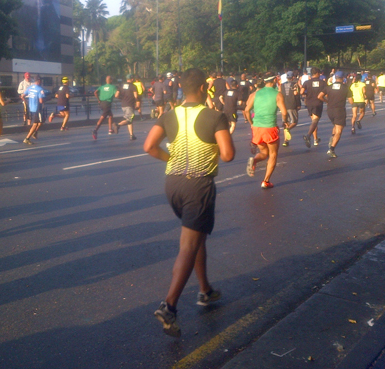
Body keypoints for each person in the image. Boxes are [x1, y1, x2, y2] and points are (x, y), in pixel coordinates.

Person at [143, 68, 234, 338]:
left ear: (182, 88)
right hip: (198, 185)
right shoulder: (214, 116)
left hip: (173, 185)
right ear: (205, 89)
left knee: (197, 238)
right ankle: (169, 305)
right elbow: (228, 154)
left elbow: (149, 146)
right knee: (188, 245)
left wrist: (169, 159)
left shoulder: (168, 115)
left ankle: (205, 290)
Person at [244, 72, 288, 188]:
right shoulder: (277, 94)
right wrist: (285, 121)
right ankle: (266, 181)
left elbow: (247, 110)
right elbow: (284, 112)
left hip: (257, 128)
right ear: (274, 81)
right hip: (269, 127)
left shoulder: (255, 94)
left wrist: (251, 123)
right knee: (273, 154)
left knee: (264, 153)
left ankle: (254, 161)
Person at [318, 71, 352, 158]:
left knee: (335, 125)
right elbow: (351, 101)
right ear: (343, 78)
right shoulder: (346, 88)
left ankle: (332, 138)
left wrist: (327, 101)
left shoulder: (328, 87)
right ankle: (332, 149)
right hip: (339, 110)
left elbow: (319, 96)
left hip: (330, 110)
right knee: (339, 131)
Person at [300, 67, 326, 148]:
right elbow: (327, 93)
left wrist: (306, 93)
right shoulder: (322, 83)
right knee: (315, 121)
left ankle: (315, 139)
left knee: (314, 122)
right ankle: (308, 136)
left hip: (309, 103)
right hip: (318, 103)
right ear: (318, 73)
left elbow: (301, 92)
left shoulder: (307, 82)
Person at [92, 75, 119, 139]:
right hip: (107, 103)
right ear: (111, 80)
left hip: (102, 103)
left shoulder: (102, 87)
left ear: (106, 81)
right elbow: (116, 95)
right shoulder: (113, 87)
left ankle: (110, 129)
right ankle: (95, 130)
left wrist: (98, 99)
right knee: (103, 117)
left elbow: (95, 92)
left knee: (110, 115)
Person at [113, 74, 139, 140]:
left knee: (129, 119)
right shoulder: (133, 86)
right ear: (132, 79)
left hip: (123, 105)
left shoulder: (121, 86)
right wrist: (137, 103)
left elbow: (116, 95)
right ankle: (117, 125)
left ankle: (131, 135)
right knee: (129, 119)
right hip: (130, 104)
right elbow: (136, 96)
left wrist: (121, 98)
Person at [280, 72, 300, 147]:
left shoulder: (282, 85)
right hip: (292, 104)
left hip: (284, 105)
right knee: (294, 121)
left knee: (286, 122)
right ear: (293, 77)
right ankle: (288, 129)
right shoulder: (295, 84)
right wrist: (298, 104)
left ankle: (285, 141)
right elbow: (296, 94)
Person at [23, 76, 45, 144]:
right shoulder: (40, 89)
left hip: (31, 107)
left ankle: (34, 133)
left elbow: (22, 95)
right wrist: (46, 99)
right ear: (39, 81)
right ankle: (28, 137)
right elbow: (41, 101)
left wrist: (25, 101)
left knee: (40, 121)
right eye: (40, 81)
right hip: (37, 108)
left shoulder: (30, 88)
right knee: (37, 123)